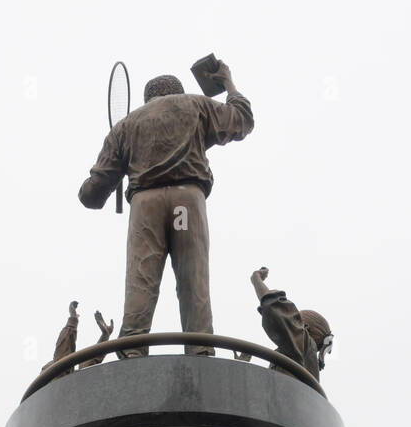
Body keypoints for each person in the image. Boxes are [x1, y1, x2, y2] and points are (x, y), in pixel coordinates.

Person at [78, 62, 254, 355]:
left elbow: (91, 196)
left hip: (146, 207)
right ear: (178, 91)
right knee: (193, 278)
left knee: (141, 281)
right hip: (187, 202)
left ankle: (132, 351)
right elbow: (242, 120)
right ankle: (200, 350)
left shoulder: (126, 126)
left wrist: (105, 179)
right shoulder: (196, 105)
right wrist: (230, 84)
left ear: (148, 98)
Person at [244, 267, 333, 382]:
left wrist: (256, 278)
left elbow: (275, 307)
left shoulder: (304, 344)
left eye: (297, 320)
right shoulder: (304, 358)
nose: (294, 322)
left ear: (305, 328)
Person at [41, 302, 114, 374]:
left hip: (72, 381)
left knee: (79, 367)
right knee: (62, 365)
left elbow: (88, 365)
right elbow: (62, 356)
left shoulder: (77, 376)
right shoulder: (55, 370)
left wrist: (105, 335)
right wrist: (73, 319)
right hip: (59, 381)